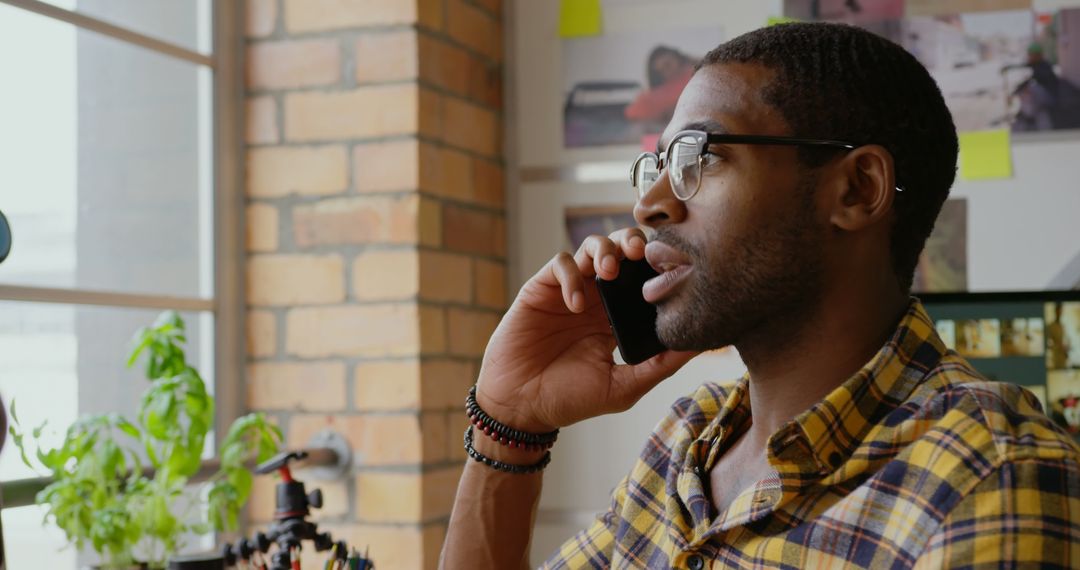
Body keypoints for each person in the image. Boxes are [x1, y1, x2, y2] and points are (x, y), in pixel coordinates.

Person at [441, 22, 1080, 569]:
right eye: (658, 166)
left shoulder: (990, 478)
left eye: (699, 157)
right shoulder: (686, 446)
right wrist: (512, 424)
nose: (650, 205)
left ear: (856, 190)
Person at [623, 46, 697, 124]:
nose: (667, 73)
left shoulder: (697, 75)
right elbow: (634, 113)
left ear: (677, 59)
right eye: (659, 72)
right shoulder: (656, 96)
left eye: (667, 65)